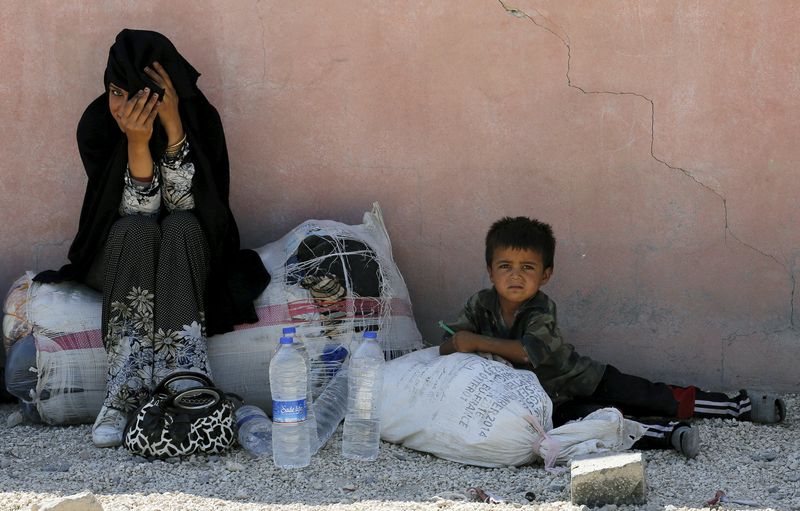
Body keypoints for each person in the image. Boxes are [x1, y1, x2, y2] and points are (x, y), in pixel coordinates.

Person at [35, 29, 269, 448]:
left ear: (166, 92)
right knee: (137, 229)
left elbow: (189, 207)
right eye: (114, 91)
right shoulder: (96, 125)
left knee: (180, 225)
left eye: (140, 95)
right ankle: (123, 392)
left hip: (189, 249)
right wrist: (137, 143)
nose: (123, 106)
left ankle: (185, 378)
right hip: (119, 252)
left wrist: (174, 127)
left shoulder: (202, 119)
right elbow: (131, 211)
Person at [439, 216, 785, 458]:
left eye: (527, 267)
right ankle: (671, 435)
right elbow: (450, 343)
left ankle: (739, 406)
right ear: (490, 270)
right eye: (505, 266)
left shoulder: (541, 308)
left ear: (546, 274)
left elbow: (528, 353)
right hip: (547, 403)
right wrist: (456, 343)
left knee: (653, 395)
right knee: (595, 425)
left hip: (585, 379)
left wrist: (475, 343)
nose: (515, 276)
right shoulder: (479, 304)